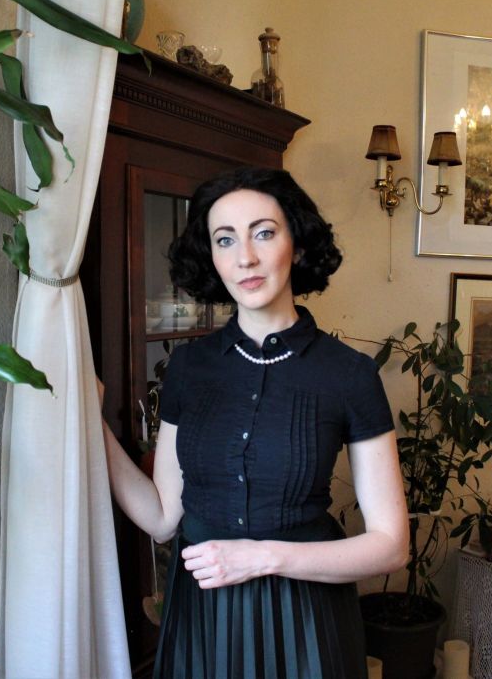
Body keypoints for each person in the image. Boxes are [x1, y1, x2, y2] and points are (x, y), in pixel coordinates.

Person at [101, 166, 409, 678]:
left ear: (298, 245)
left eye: (263, 233)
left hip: (305, 621)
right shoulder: (188, 368)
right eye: (225, 239)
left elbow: (391, 546)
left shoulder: (349, 375)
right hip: (203, 618)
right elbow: (162, 517)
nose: (245, 256)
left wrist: (263, 557)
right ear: (211, 257)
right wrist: (95, 428)